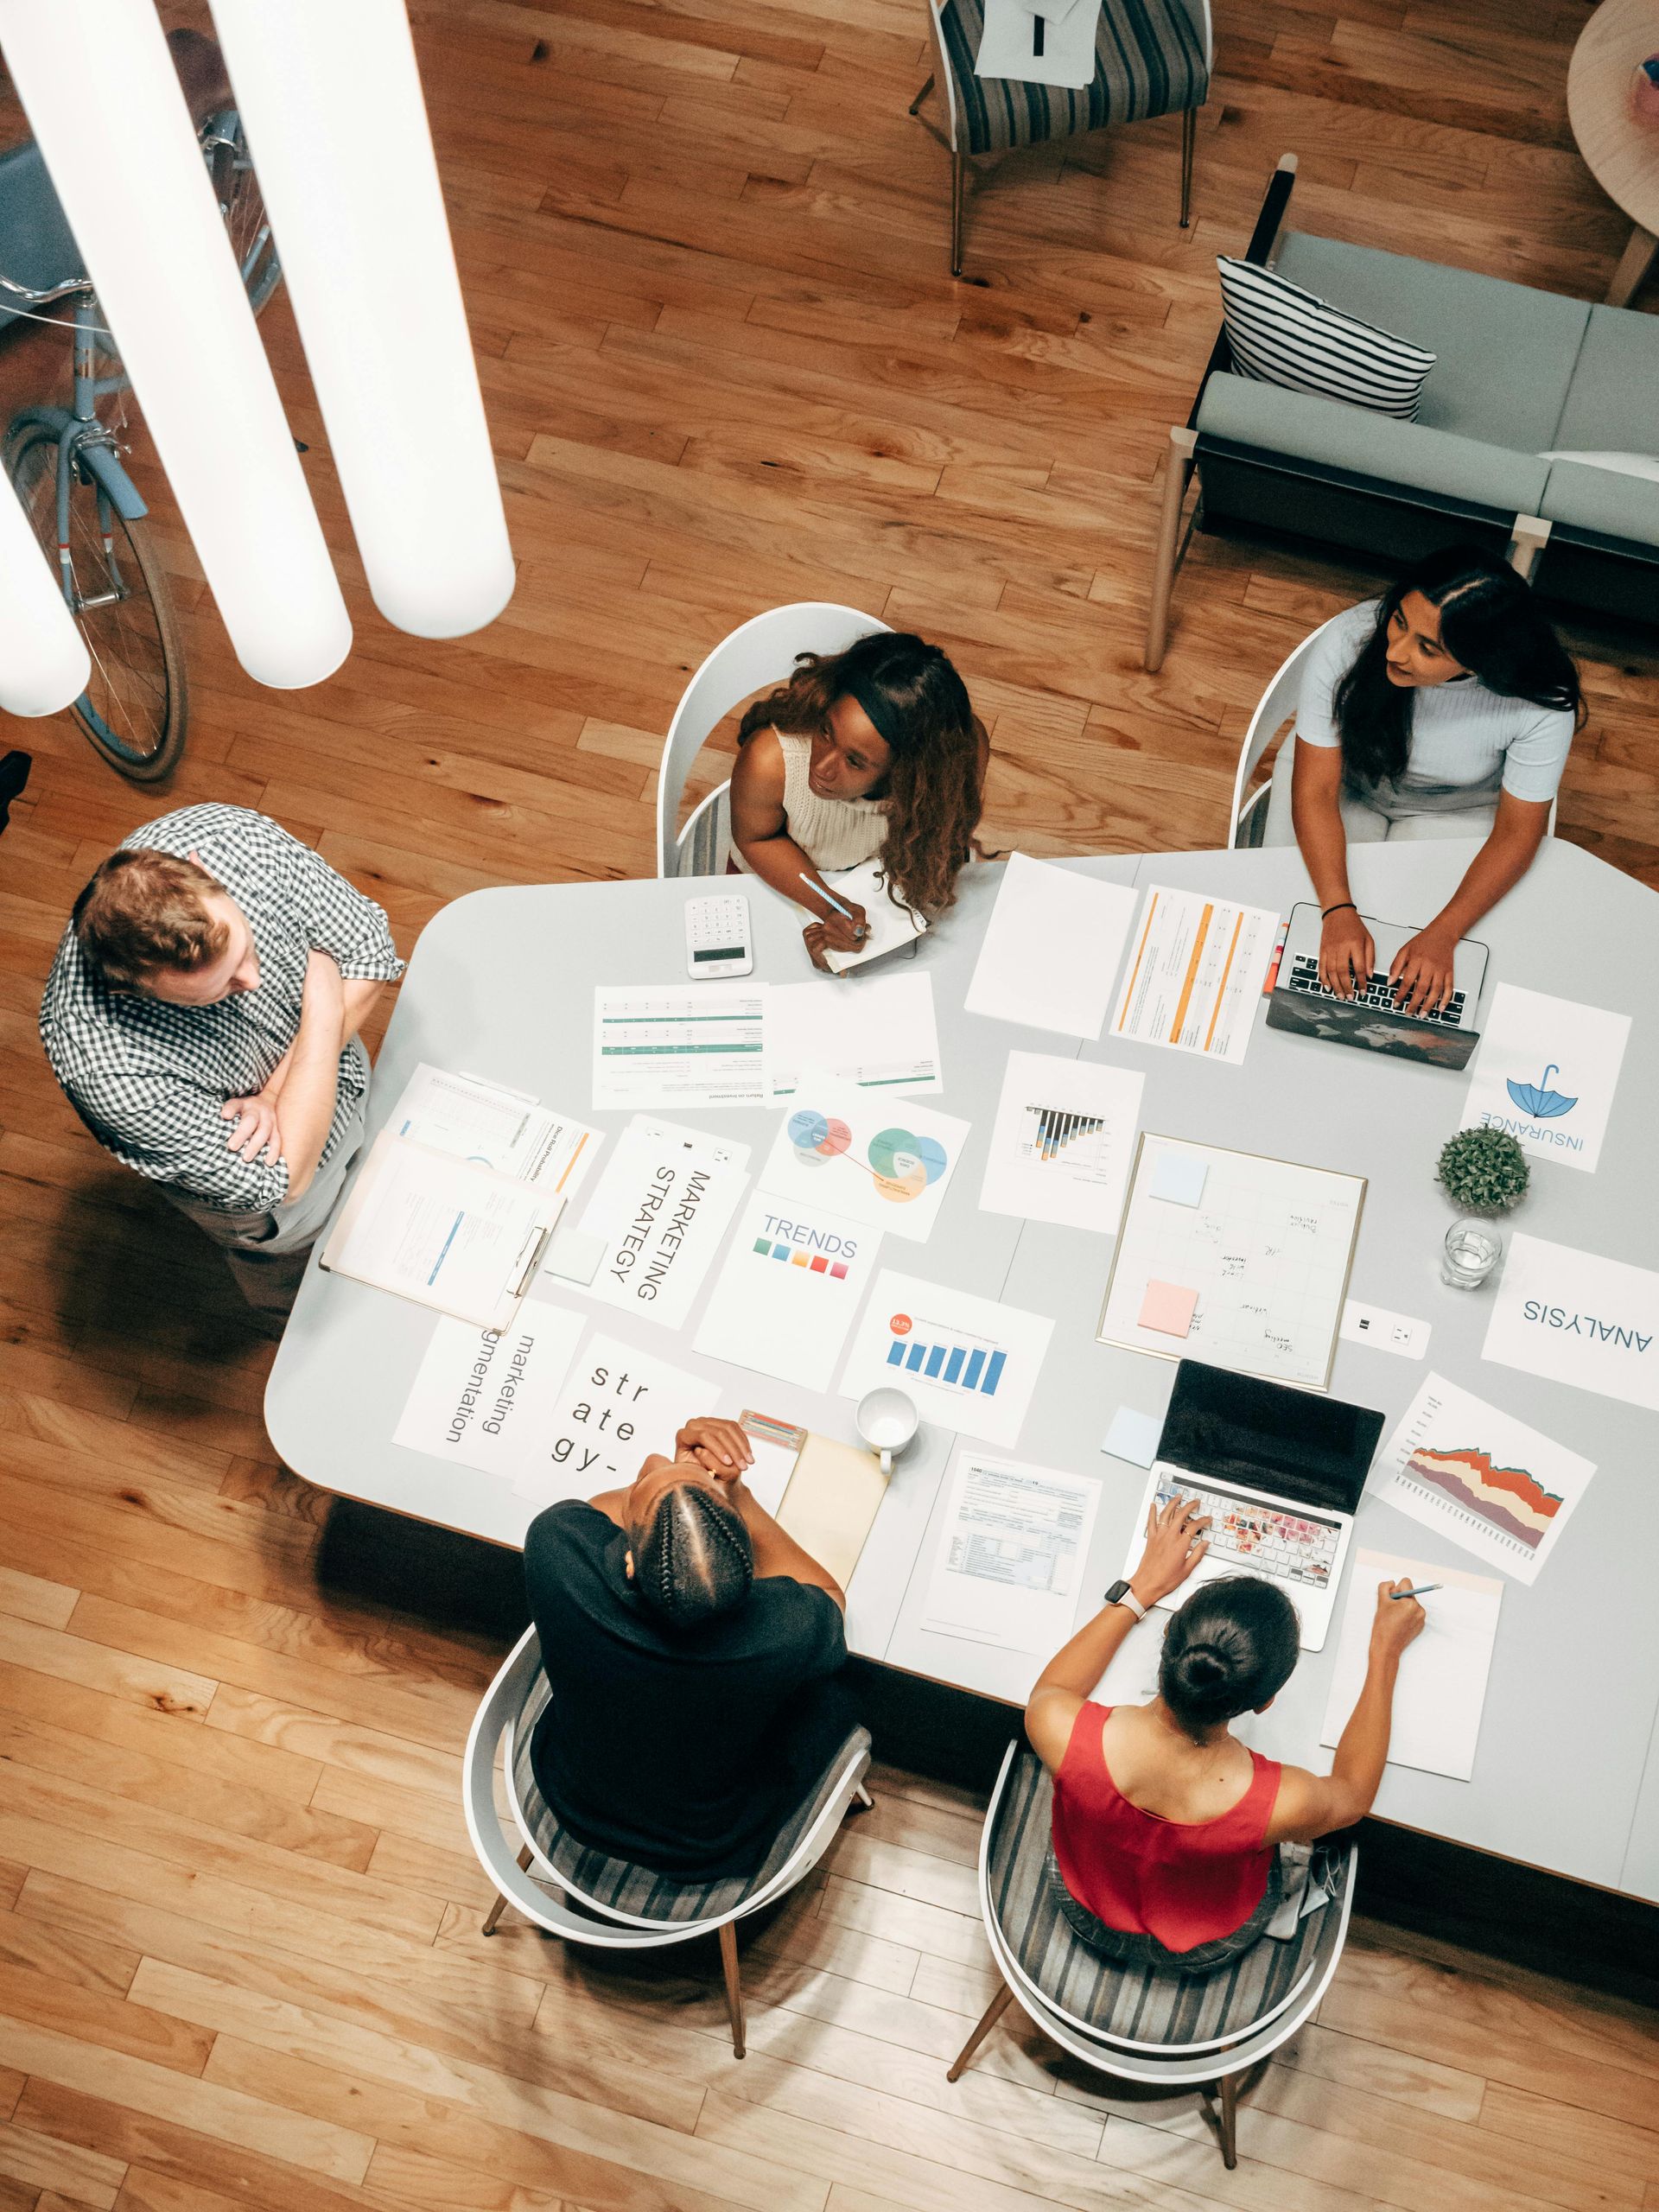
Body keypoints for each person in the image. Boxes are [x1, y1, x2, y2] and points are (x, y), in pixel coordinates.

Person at [1024, 1495, 1425, 1971]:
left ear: (1167, 1650)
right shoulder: (1283, 1801)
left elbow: (1053, 1687)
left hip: (1083, 1905)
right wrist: (1385, 1653)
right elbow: (1355, 1794)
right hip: (1207, 1941)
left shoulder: (1059, 1729)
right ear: (1265, 1701)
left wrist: (1142, 1587)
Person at [40, 802, 404, 1312]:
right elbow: (284, 1181)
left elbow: (371, 953)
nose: (252, 981)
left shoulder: (232, 838)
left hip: (344, 1084)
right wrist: (321, 1006)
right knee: (305, 1285)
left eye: (246, 951)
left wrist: (277, 1091)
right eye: (220, 988)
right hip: (289, 1203)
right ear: (133, 994)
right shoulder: (102, 1064)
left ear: (206, 873)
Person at [523, 1415, 855, 1878]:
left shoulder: (556, 1544)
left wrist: (658, 1485)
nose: (658, 1460)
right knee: (840, 1695)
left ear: (628, 1564)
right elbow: (831, 1599)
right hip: (701, 1843)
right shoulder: (786, 1630)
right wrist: (729, 1497)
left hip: (571, 1793)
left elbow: (600, 1512)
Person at [1265, 544, 1583, 1015]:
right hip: (1345, 782)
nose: (1395, 652)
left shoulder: (1539, 703)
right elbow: (1314, 789)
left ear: (1480, 662)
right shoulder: (1351, 638)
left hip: (1455, 805)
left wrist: (1445, 931)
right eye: (1398, 622)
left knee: (1429, 961)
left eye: (1427, 648)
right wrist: (1336, 908)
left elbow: (1519, 831)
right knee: (1292, 928)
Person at [728, 629, 989, 970]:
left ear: (907, 774)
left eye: (854, 761)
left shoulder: (960, 758)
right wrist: (831, 906)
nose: (820, 767)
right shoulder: (768, 759)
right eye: (825, 731)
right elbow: (756, 838)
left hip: (888, 876)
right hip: (781, 873)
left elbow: (942, 841)